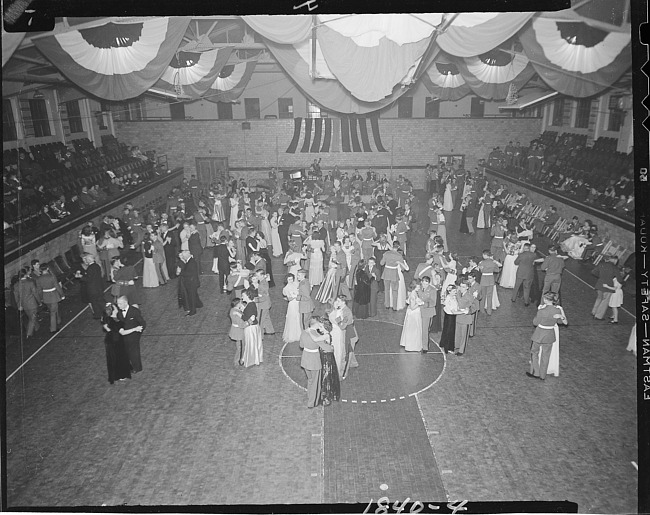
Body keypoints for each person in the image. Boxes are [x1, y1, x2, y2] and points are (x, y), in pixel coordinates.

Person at [527, 292, 567, 380]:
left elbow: (535, 322)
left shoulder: (542, 311)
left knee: (534, 352)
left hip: (539, 333)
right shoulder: (557, 310)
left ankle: (535, 372)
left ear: (545, 300)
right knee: (546, 355)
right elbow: (560, 322)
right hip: (550, 334)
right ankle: (543, 375)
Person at [299, 317, 334, 408]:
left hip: (305, 359)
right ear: (316, 324)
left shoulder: (304, 332)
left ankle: (310, 396)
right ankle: (312, 402)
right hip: (314, 361)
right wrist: (332, 347)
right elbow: (327, 348)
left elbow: (301, 345)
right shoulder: (317, 335)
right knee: (315, 382)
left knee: (310, 380)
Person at [101, 303, 132, 383]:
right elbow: (123, 333)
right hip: (117, 340)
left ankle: (115, 375)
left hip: (110, 339)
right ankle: (121, 375)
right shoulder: (117, 322)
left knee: (112, 357)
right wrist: (135, 329)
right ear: (113, 311)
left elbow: (106, 327)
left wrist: (111, 331)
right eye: (115, 307)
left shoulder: (107, 319)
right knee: (120, 357)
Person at [116, 295, 146, 374]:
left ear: (126, 303)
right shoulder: (119, 313)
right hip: (124, 335)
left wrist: (138, 333)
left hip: (133, 335)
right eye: (117, 304)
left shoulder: (134, 311)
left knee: (134, 352)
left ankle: (137, 368)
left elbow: (143, 323)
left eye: (120, 304)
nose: (118, 306)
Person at [35, 263, 65, 333]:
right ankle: (53, 328)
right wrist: (62, 294)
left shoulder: (38, 279)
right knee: (53, 312)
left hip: (45, 296)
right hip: (53, 296)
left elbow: (39, 290)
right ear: (47, 268)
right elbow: (57, 286)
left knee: (52, 310)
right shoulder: (52, 276)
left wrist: (41, 298)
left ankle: (58, 320)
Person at [318, 318, 340, 406]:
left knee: (326, 377)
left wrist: (309, 331)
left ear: (326, 327)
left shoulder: (326, 335)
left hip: (326, 358)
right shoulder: (325, 334)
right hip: (325, 356)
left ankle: (327, 397)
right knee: (325, 376)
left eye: (320, 326)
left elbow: (315, 339)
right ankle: (326, 394)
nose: (319, 328)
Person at [14, 268, 41, 338]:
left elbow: (16, 297)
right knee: (32, 318)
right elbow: (35, 293)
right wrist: (39, 301)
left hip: (24, 304)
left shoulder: (16, 285)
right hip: (32, 303)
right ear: (25, 275)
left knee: (30, 316)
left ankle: (37, 327)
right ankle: (29, 333)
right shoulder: (30, 282)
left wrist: (19, 305)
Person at [454, 280, 478, 356]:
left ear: (467, 287)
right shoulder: (457, 294)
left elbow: (474, 306)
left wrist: (468, 311)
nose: (461, 288)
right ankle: (456, 347)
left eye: (463, 287)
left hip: (466, 318)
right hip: (458, 317)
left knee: (464, 335)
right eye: (460, 286)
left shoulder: (470, 296)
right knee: (458, 334)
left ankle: (461, 350)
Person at [380, 242, 407, 310]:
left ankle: (387, 305)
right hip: (394, 274)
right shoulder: (399, 256)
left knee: (387, 290)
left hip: (386, 273)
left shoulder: (386, 253)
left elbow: (381, 263)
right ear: (398, 247)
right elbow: (403, 269)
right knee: (395, 290)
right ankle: (394, 307)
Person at [241, 288, 263, 367]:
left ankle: (250, 360)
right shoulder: (251, 304)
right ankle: (254, 359)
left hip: (251, 328)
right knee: (253, 343)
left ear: (247, 295)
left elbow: (252, 317)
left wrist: (245, 324)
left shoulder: (250, 305)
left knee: (250, 344)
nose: (242, 297)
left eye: (243, 295)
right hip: (253, 327)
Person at [400, 280, 424, 352]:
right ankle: (412, 345)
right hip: (413, 314)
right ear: (414, 287)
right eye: (418, 287)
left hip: (412, 313)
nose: (419, 288)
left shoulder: (413, 293)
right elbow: (413, 307)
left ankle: (409, 343)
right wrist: (420, 303)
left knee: (412, 329)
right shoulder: (413, 295)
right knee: (413, 329)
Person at [177, 249, 203, 316]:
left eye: (183, 255)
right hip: (193, 281)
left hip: (191, 282)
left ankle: (193, 311)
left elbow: (188, 273)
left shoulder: (191, 262)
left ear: (186, 255)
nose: (182, 256)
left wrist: (180, 272)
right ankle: (199, 304)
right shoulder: (191, 261)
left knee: (191, 297)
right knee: (194, 294)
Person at [478, 249, 500, 315]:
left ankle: (482, 309)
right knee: (490, 296)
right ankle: (489, 310)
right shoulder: (493, 262)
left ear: (485, 255)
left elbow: (481, 270)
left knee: (483, 295)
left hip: (484, 279)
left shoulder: (482, 262)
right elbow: (497, 270)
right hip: (491, 279)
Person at [440, 284, 460, 354]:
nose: (455, 292)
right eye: (454, 291)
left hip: (450, 316)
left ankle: (443, 344)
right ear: (449, 291)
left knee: (447, 331)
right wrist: (463, 312)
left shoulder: (453, 297)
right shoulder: (449, 298)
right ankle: (448, 348)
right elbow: (453, 310)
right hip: (450, 316)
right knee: (449, 332)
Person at [418, 275, 436, 353]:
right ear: (421, 282)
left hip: (427, 312)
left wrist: (423, 303)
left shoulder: (432, 290)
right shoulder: (419, 288)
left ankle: (425, 347)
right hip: (419, 310)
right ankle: (419, 344)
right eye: (424, 283)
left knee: (425, 329)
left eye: (427, 284)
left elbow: (433, 302)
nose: (425, 285)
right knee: (419, 328)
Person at [282, 273, 302, 343]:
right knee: (292, 318)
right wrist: (295, 297)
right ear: (286, 280)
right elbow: (289, 299)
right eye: (289, 279)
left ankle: (299, 333)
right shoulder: (286, 288)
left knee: (298, 317)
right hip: (292, 304)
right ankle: (292, 335)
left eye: (292, 279)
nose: (291, 281)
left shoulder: (296, 285)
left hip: (297, 303)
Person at [228, 298, 246, 366]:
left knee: (240, 346)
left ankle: (239, 359)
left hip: (236, 331)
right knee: (241, 347)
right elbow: (241, 324)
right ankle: (239, 360)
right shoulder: (236, 314)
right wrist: (248, 323)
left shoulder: (233, 310)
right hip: (239, 333)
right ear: (238, 304)